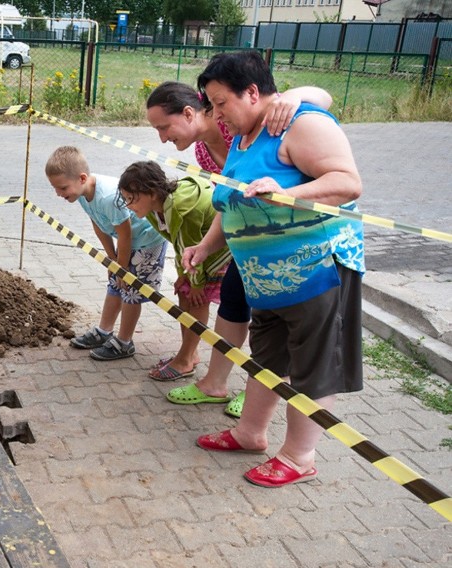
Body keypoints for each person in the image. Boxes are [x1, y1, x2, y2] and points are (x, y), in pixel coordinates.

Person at [183, 50, 364, 488]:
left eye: (221, 102)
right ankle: (250, 433)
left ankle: (300, 456)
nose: (217, 113)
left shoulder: (300, 122)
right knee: (268, 359)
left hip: (316, 272)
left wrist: (284, 192)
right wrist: (206, 246)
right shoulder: (244, 138)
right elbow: (229, 203)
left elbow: (346, 183)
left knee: (314, 365)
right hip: (267, 281)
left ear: (251, 92)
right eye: (212, 104)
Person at [144, 81, 333, 418]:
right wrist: (206, 247)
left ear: (189, 113)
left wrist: (289, 98)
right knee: (232, 301)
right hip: (246, 241)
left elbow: (322, 97)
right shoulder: (203, 150)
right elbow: (227, 200)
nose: (161, 138)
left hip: (287, 247)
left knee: (274, 320)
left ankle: (258, 395)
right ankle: (215, 383)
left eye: (163, 127)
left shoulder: (241, 125)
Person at [45, 146, 168, 361]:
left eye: (62, 188)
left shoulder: (107, 196)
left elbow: (126, 233)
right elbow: (98, 223)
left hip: (146, 241)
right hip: (126, 241)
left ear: (82, 178)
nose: (59, 194)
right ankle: (104, 331)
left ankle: (124, 342)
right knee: (115, 285)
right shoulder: (83, 193)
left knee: (131, 290)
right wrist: (112, 260)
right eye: (56, 188)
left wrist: (121, 268)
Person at [117, 161, 233, 380]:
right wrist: (182, 274)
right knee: (184, 290)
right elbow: (179, 244)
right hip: (197, 252)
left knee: (196, 297)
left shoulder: (182, 209)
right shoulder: (154, 209)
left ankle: (185, 360)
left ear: (152, 192)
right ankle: (190, 353)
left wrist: (197, 283)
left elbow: (192, 244)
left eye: (132, 198)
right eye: (125, 199)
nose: (129, 205)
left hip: (219, 250)